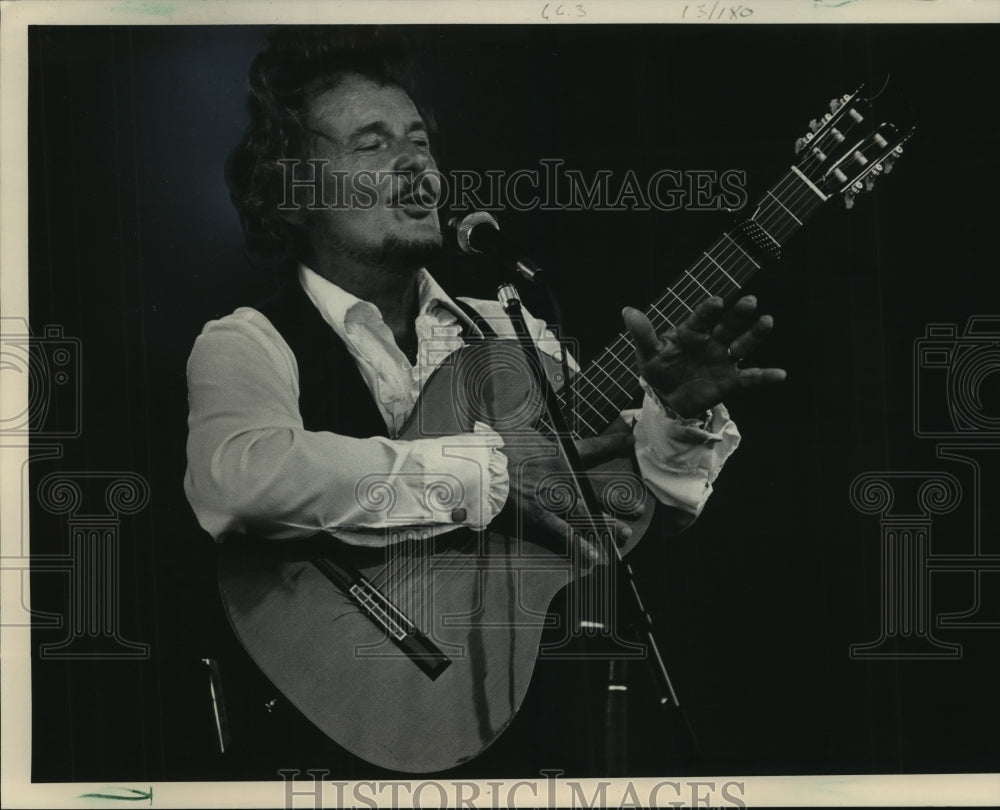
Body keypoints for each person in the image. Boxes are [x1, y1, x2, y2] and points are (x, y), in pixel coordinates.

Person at [183, 27, 785, 777]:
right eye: (372, 145)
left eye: (420, 143)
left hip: (507, 721)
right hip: (317, 741)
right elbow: (238, 479)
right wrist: (487, 474)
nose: (416, 168)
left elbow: (622, 515)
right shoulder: (250, 341)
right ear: (293, 189)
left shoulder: (509, 327)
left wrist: (672, 417)